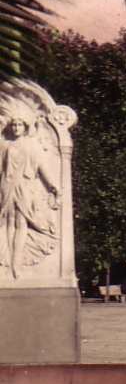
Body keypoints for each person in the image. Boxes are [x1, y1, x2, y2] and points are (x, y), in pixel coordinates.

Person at [0, 113, 59, 279]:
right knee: (8, 222)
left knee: (21, 221)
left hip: (25, 186)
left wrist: (53, 186)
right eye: (14, 125)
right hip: (7, 185)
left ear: (25, 127)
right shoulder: (5, 145)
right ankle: (9, 260)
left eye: (19, 125)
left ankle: (16, 263)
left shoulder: (32, 145)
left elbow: (42, 167)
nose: (16, 128)